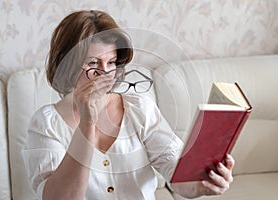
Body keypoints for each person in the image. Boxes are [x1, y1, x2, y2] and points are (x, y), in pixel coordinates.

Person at [23, 10, 234, 200]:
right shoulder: (46, 124)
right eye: (93, 63)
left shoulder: (139, 108)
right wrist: (88, 122)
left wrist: (203, 183)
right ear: (66, 65)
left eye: (112, 62)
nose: (105, 74)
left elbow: (175, 171)